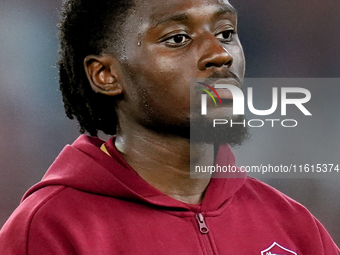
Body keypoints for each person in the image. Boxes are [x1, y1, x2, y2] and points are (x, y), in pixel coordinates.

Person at [0, 0, 339, 254]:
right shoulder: (50, 229)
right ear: (106, 75)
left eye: (226, 33)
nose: (220, 54)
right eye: (177, 38)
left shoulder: (295, 227)